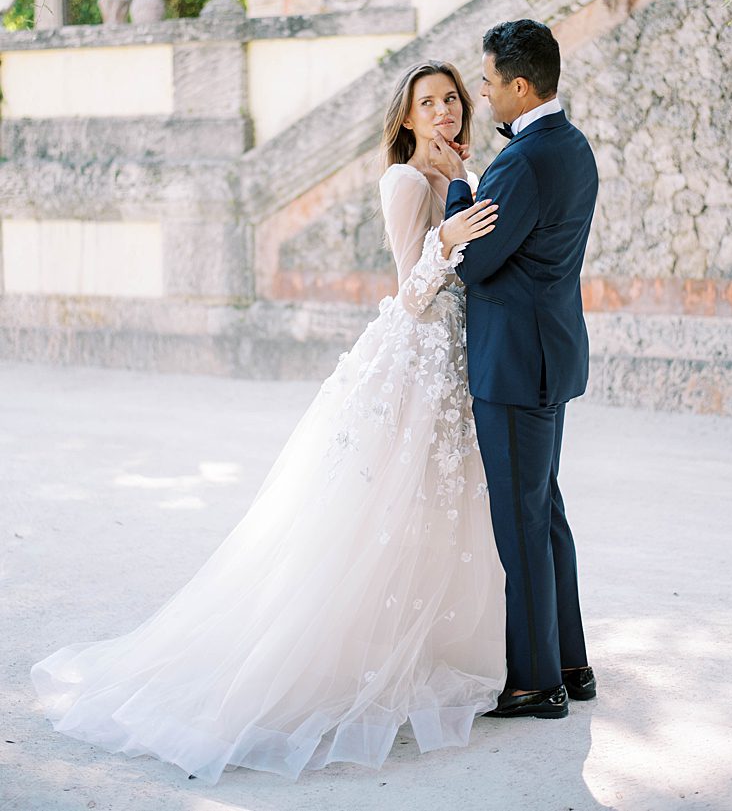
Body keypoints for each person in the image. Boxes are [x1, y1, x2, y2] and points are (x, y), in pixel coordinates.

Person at [31, 60, 506, 783]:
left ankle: (427, 652)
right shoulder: (405, 181)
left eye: (451, 99)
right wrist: (445, 240)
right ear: (405, 117)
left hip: (449, 366)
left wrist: (462, 188)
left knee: (432, 513)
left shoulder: (450, 176)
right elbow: (411, 292)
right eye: (428, 103)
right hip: (411, 362)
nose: (444, 111)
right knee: (375, 512)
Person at [443, 19, 599, 720]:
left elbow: (473, 261)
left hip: (512, 364)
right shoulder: (573, 146)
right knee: (546, 511)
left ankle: (537, 680)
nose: (480, 92)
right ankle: (570, 659)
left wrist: (456, 191)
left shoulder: (522, 162)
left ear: (520, 85)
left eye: (486, 82)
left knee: (521, 521)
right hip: (550, 352)